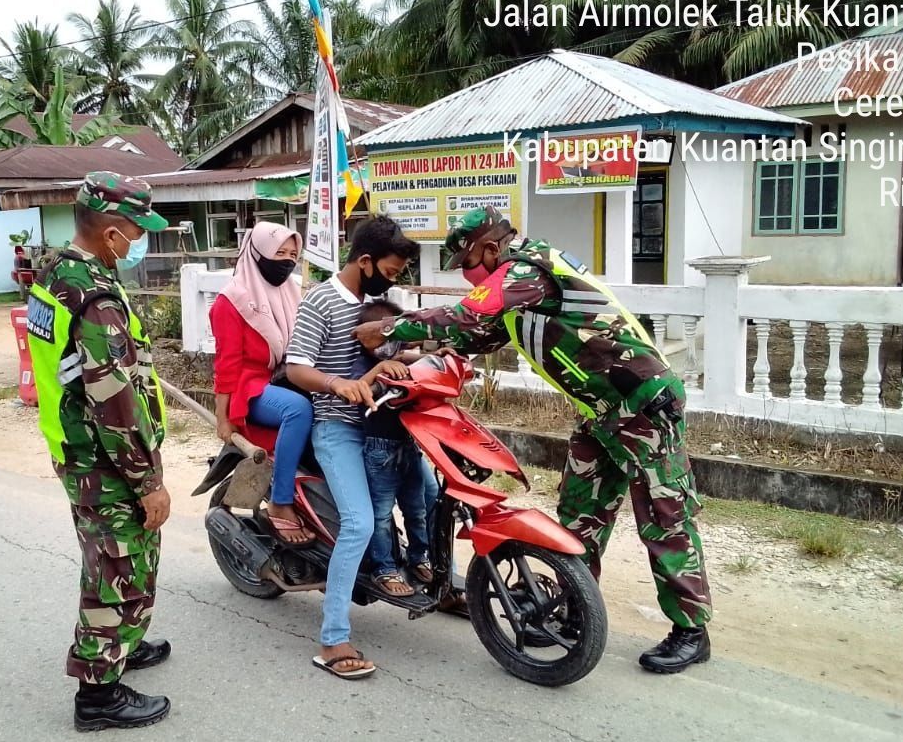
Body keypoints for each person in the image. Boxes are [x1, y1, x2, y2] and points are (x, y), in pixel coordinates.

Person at [354, 206, 713, 674]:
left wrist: (386, 327)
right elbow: (474, 335)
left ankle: (691, 630)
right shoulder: (516, 293)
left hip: (642, 402)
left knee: (665, 518)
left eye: (466, 265)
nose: (468, 277)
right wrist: (415, 355)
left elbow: (466, 315)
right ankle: (574, 606)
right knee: (579, 515)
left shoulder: (529, 267)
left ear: (487, 248)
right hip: (600, 412)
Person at [25, 171, 174, 730]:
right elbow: (112, 402)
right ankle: (98, 695)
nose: (138, 242)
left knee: (124, 556)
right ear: (111, 233)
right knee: (117, 567)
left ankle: (122, 643)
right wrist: (147, 481)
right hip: (105, 459)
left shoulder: (57, 273)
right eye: (136, 231)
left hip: (76, 447)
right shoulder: (95, 298)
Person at [285, 216, 420, 679]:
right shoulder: (321, 301)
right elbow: (297, 368)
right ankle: (333, 638)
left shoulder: (383, 304)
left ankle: (432, 578)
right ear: (365, 261)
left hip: (389, 425)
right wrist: (337, 384)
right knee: (360, 523)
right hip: (338, 426)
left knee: (433, 495)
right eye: (392, 269)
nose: (395, 279)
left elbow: (393, 353)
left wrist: (409, 359)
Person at [210, 222, 314, 544]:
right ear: (257, 252)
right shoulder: (232, 301)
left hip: (286, 378)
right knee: (298, 410)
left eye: (292, 254)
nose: (286, 260)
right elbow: (226, 364)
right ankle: (281, 503)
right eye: (278, 252)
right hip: (250, 387)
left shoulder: (292, 292)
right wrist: (222, 417)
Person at [353, 299, 437, 597]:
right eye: (382, 341)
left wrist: (439, 355)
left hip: (409, 445)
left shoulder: (401, 359)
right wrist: (379, 368)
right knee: (380, 514)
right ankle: (383, 569)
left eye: (393, 339)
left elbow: (417, 359)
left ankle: (419, 558)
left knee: (419, 507)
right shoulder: (363, 364)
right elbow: (355, 390)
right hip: (379, 450)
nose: (389, 348)